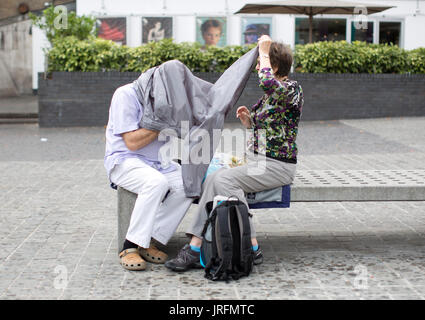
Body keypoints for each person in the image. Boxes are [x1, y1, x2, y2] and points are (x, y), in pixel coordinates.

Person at [165, 35, 304, 272]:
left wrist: (263, 50)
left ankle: (242, 243)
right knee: (214, 177)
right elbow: (272, 132)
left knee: (224, 179)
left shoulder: (292, 89)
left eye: (262, 63)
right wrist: (249, 123)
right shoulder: (271, 97)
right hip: (258, 162)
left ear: (276, 65)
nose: (258, 68)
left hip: (277, 166)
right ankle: (198, 246)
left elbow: (268, 82)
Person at [104, 82, 193, 271]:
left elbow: (184, 132)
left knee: (189, 183)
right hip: (125, 160)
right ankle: (129, 246)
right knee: (155, 182)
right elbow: (132, 142)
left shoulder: (170, 101)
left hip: (159, 162)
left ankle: (149, 239)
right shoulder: (126, 94)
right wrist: (160, 122)